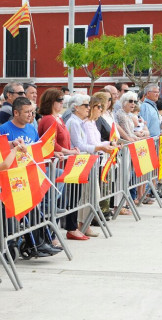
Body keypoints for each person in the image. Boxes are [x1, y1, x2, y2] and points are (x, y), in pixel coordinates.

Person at [65, 94, 115, 239]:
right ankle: (74, 227)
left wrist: (107, 145)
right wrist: (101, 148)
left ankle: (80, 226)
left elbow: (91, 142)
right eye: (86, 105)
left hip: (86, 161)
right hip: (79, 162)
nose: (88, 108)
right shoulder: (75, 122)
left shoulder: (79, 122)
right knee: (79, 198)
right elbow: (80, 145)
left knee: (84, 196)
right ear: (76, 107)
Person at [38, 88, 79, 156]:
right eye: (59, 100)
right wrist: (69, 152)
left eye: (62, 99)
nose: (62, 102)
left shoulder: (58, 118)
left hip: (61, 162)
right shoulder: (49, 119)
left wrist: (70, 150)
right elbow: (51, 143)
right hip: (55, 163)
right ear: (50, 102)